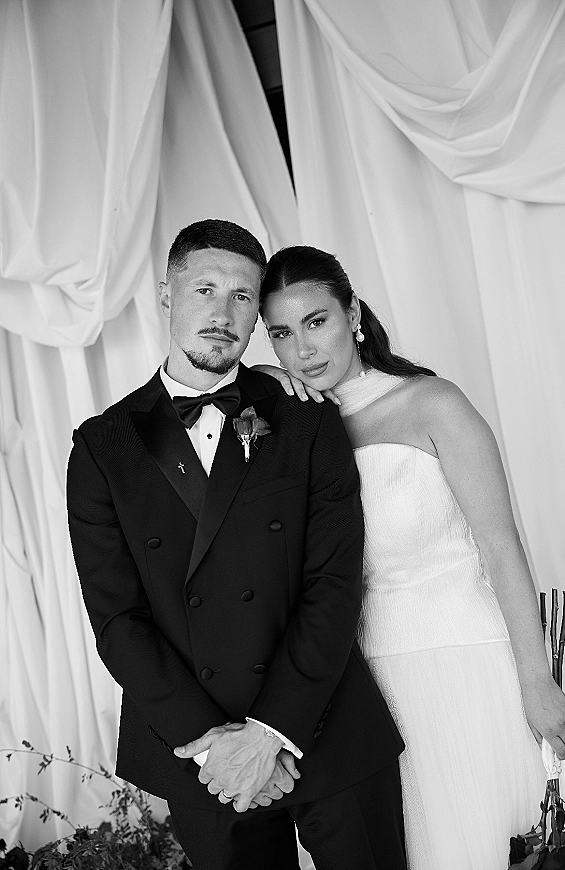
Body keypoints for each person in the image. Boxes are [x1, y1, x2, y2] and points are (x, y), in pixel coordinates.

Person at [66, 220, 407, 870]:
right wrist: (216, 743)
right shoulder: (102, 447)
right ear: (167, 294)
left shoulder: (306, 417)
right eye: (204, 289)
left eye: (243, 296)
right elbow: (117, 620)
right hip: (200, 750)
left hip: (326, 720)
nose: (222, 313)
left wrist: (271, 733)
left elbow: (333, 586)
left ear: (258, 314)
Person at [257, 244, 565, 870]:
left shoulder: (433, 404)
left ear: (353, 313)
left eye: (317, 321)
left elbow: (500, 545)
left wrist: (538, 681)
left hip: (467, 666)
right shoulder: (300, 432)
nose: (303, 349)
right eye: (282, 334)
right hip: (368, 689)